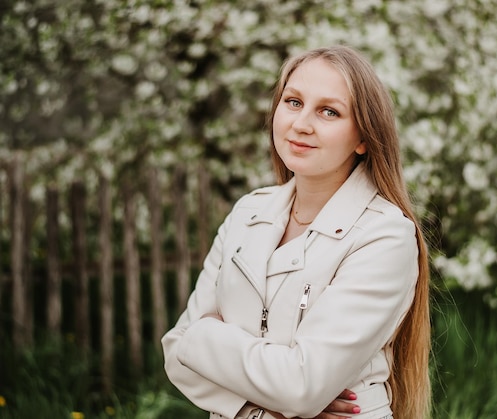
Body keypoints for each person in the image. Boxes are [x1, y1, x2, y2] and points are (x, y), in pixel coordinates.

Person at [162, 45, 431, 419]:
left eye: (328, 111)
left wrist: (205, 340)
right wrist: (274, 403)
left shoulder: (384, 236)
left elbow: (301, 386)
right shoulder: (248, 212)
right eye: (293, 102)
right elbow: (177, 352)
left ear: (364, 138)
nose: (301, 123)